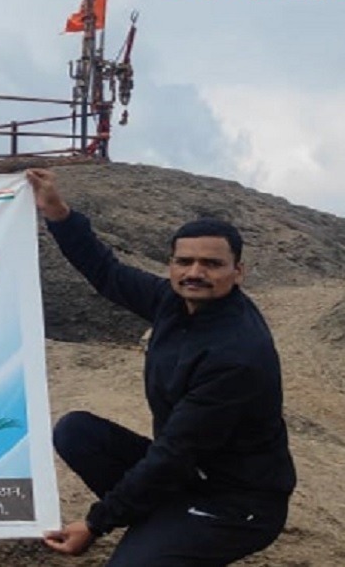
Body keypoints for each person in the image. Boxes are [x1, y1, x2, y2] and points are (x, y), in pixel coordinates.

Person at [26, 169, 296, 566]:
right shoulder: (173, 301)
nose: (194, 273)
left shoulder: (236, 355)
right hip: (188, 476)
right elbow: (107, 273)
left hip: (237, 502)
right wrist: (58, 212)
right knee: (78, 432)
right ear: (170, 264)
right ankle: (164, 524)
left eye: (211, 264)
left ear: (238, 272)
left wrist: (95, 524)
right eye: (184, 261)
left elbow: (174, 453)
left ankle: (170, 533)